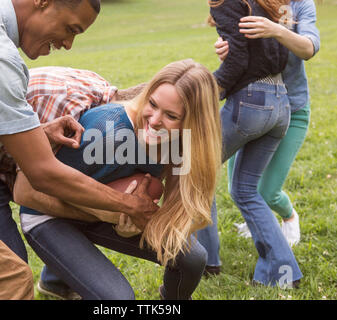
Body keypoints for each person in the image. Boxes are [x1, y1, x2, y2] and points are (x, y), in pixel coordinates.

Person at [0, 0, 158, 300]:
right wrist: (129, 205)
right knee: (4, 279)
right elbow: (42, 175)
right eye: (70, 29)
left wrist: (36, 132)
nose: (68, 44)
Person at [13, 59, 223, 300]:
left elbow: (175, 217)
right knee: (118, 300)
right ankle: (58, 277)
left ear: (193, 124)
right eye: (152, 104)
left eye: (171, 116)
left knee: (193, 259)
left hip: (109, 208)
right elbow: (26, 194)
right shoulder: (107, 129)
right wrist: (105, 212)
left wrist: (132, 226)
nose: (154, 120)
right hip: (45, 214)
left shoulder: (181, 145)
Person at [0, 66, 149, 300]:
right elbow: (29, 195)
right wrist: (103, 214)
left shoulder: (103, 103)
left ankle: (56, 282)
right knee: (7, 267)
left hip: (13, 158)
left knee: (75, 188)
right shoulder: (67, 105)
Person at [197, 0, 302, 287]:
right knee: (245, 190)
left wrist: (206, 92)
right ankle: (283, 273)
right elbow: (256, 54)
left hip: (251, 103)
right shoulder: (265, 2)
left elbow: (238, 61)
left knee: (192, 169)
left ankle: (205, 261)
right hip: (280, 103)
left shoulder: (226, 2)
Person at [216, 0, 320, 247]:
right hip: (251, 104)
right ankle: (259, 223)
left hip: (292, 110)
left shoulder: (301, 5)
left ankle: (289, 217)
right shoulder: (249, 2)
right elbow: (240, 49)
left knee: (268, 191)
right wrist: (225, 47)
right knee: (237, 188)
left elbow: (308, 48)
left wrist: (277, 30)